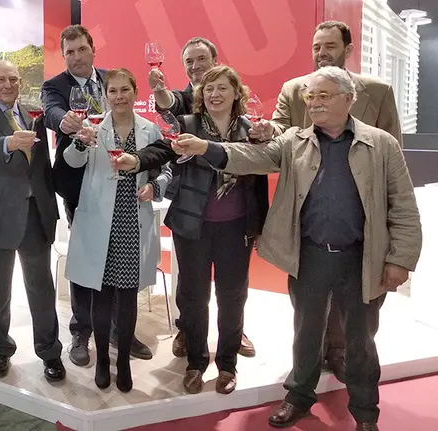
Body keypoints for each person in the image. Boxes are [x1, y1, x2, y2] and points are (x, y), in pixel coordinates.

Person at [171, 66, 421, 431]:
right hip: (311, 255)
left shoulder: (381, 144)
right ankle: (300, 396)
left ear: (348, 99)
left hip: (360, 257)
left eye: (323, 96)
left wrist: (400, 259)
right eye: (310, 96)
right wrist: (206, 147)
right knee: (305, 332)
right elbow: (250, 157)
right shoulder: (294, 142)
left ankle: (366, 412)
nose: (314, 103)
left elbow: (403, 206)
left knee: (361, 340)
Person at [115, 65, 269, 395]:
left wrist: (260, 226)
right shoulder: (188, 125)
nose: (215, 94)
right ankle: (197, 362)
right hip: (191, 226)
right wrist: (137, 160)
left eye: (222, 88)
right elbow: (162, 151)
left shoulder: (251, 130)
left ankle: (227, 364)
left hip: (235, 228)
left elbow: (259, 176)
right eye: (209, 89)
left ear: (235, 94)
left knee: (233, 296)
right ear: (201, 95)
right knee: (194, 297)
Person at [265, 20, 404, 383]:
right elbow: (278, 132)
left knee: (359, 309)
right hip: (311, 219)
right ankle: (306, 375)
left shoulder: (378, 91)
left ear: (348, 48)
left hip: (359, 224)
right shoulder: (295, 90)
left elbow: (394, 161)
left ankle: (343, 359)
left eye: (329, 45)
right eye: (316, 47)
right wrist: (266, 132)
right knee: (307, 308)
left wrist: (396, 244)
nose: (322, 52)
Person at [42, 24, 153, 366]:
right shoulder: (54, 86)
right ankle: (81, 331)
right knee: (86, 259)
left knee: (123, 260)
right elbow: (51, 112)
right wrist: (69, 123)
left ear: (93, 50)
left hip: (122, 187)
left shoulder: (110, 81)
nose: (75, 57)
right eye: (69, 52)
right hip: (79, 184)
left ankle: (122, 330)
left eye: (80, 49)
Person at [148, 37, 256, 359]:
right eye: (189, 62)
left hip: (233, 214)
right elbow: (168, 104)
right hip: (192, 204)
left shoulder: (241, 115)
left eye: (200, 60)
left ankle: (232, 337)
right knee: (191, 285)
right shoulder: (186, 101)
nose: (195, 67)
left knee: (232, 288)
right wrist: (158, 92)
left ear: (216, 61)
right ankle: (188, 330)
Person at [65, 68, 171, 392]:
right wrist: (81, 144)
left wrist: (155, 186)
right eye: (113, 91)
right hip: (99, 222)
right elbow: (71, 162)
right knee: (101, 296)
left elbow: (166, 170)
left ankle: (123, 359)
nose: (119, 96)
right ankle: (101, 361)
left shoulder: (150, 130)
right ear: (105, 95)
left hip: (131, 220)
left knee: (127, 297)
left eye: (125, 90)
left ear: (136, 93)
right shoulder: (93, 128)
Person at [0, 60, 66, 382]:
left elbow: (42, 166)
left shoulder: (33, 114)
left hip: (35, 214)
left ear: (20, 82)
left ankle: (50, 352)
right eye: (0, 80)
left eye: (13, 79)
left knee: (41, 289)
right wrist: (7, 143)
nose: (7, 85)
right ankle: (2, 349)